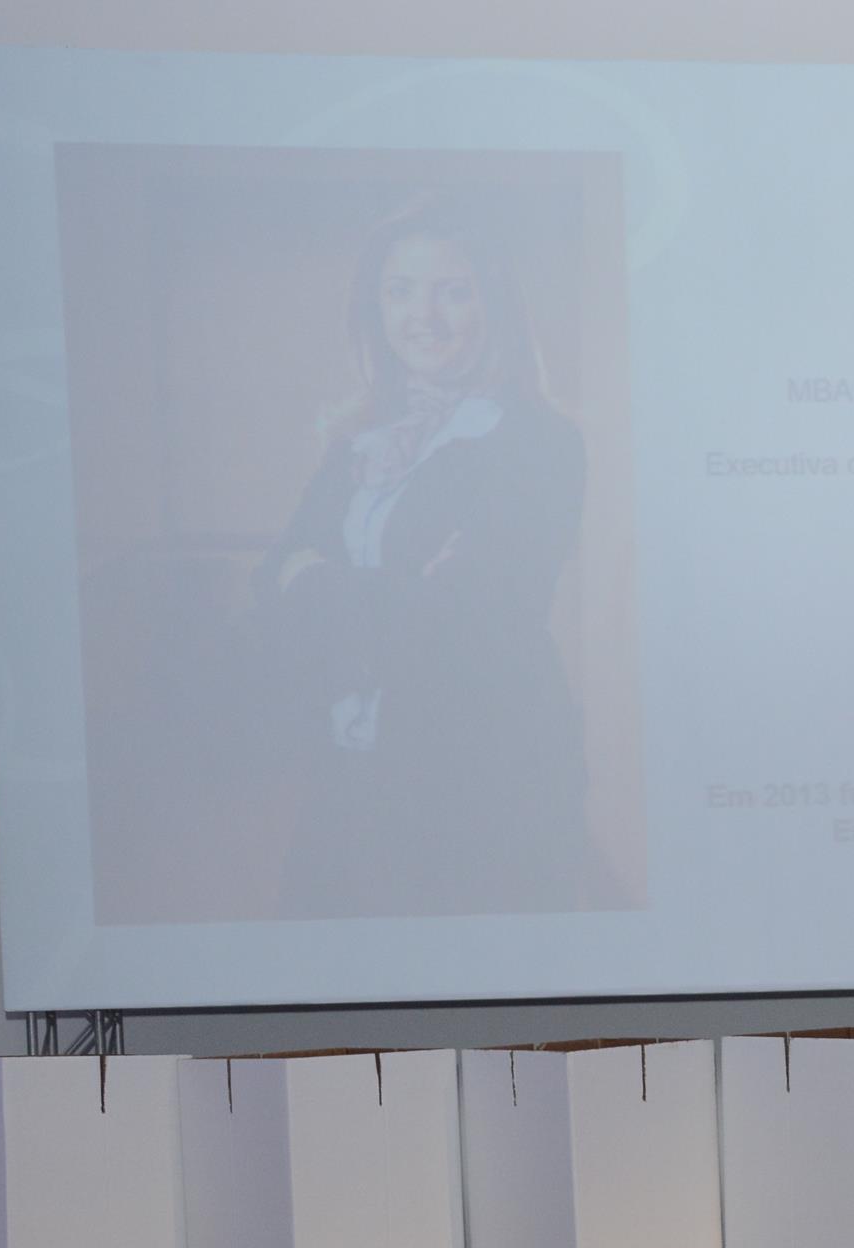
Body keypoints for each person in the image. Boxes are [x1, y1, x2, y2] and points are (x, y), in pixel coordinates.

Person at [252, 194, 599, 918]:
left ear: (494, 304)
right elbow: (269, 583)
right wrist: (387, 591)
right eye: (400, 290)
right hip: (348, 781)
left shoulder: (540, 444)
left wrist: (312, 583)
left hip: (482, 788)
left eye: (454, 292)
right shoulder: (358, 439)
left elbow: (468, 622)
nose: (423, 316)